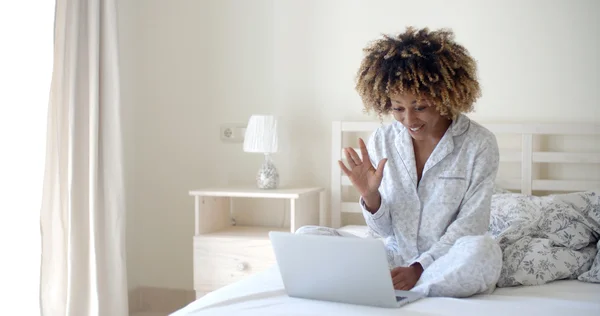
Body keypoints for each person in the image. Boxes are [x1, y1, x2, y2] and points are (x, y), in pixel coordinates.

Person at [296, 27, 503, 298]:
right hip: (392, 261)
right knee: (305, 236)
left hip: (446, 262)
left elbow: (471, 225)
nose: (409, 120)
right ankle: (388, 286)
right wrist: (371, 197)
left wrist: (419, 268)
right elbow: (381, 231)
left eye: (420, 107)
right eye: (397, 108)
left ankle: (404, 291)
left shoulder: (479, 144)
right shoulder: (382, 140)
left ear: (445, 97)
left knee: (483, 250)